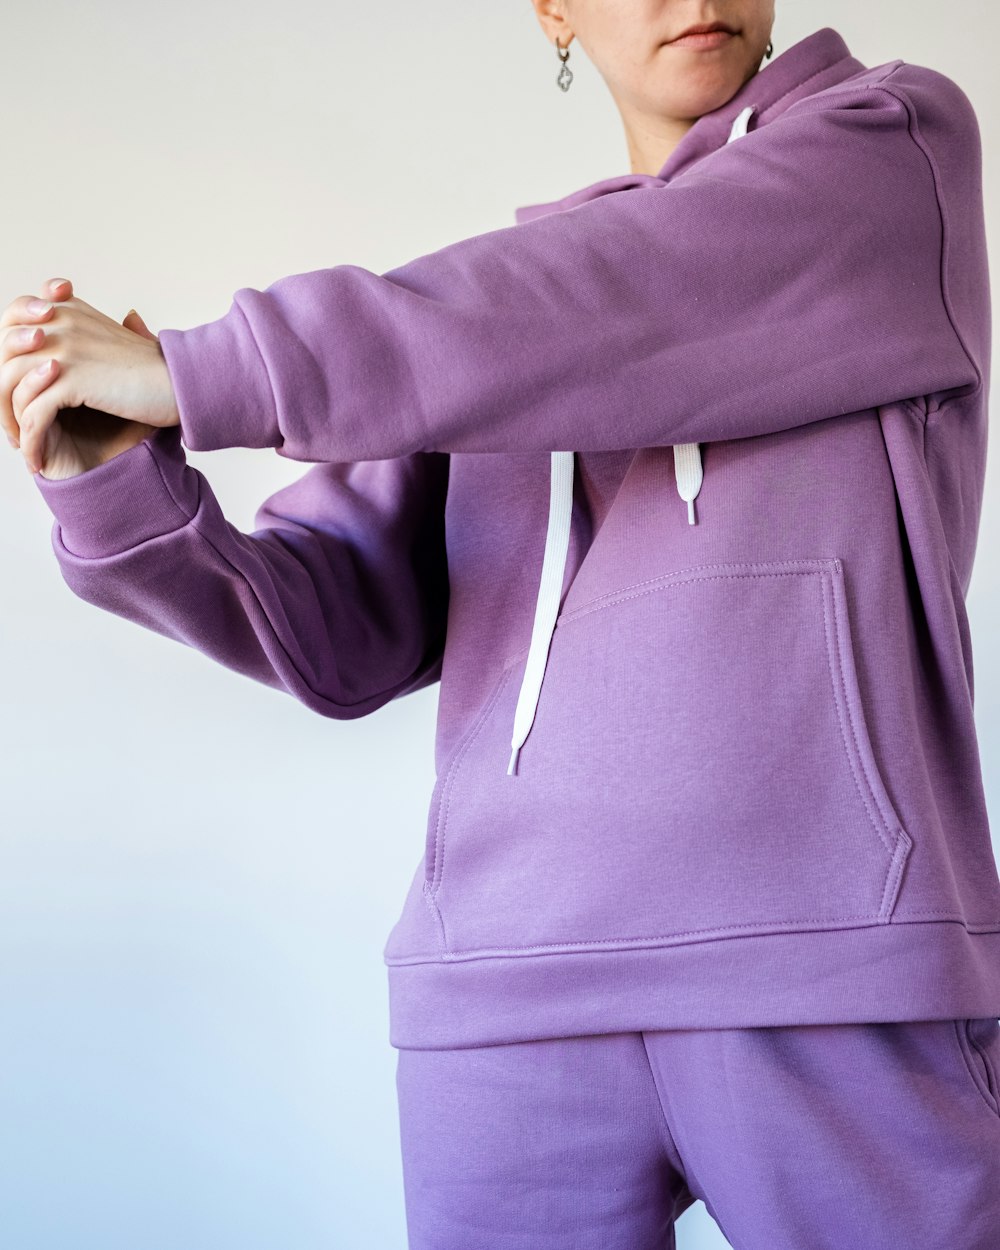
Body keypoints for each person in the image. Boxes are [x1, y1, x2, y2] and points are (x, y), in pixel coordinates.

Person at [3, 3, 999, 1246]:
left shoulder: (887, 149)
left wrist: (214, 370)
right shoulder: (485, 329)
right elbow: (332, 626)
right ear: (556, 12)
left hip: (823, 960)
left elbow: (623, 294)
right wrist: (117, 479)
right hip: (503, 991)